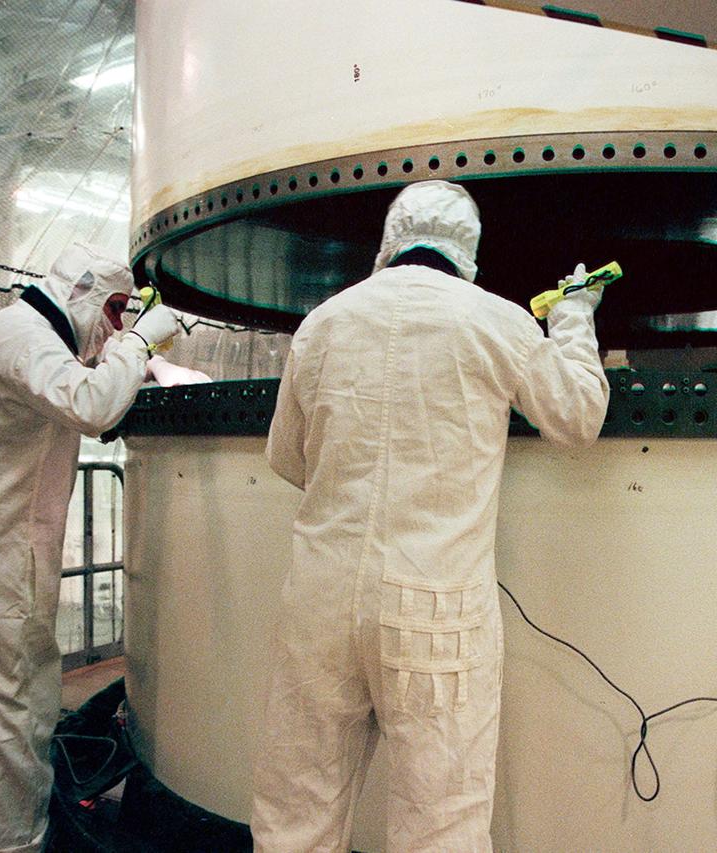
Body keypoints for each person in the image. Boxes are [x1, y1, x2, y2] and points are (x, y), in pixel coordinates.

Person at [252, 180, 609, 851]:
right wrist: (573, 314)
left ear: (391, 239)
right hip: (433, 611)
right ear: (467, 249)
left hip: (321, 599)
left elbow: (289, 458)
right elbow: (577, 415)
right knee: (439, 822)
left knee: (296, 810)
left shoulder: (323, 323)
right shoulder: (495, 320)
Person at [0, 242, 193, 853]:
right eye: (114, 309)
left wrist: (129, 362)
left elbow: (78, 399)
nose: (114, 326)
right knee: (10, 693)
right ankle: (15, 840)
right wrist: (140, 344)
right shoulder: (24, 338)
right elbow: (91, 404)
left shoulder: (23, 334)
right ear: (82, 293)